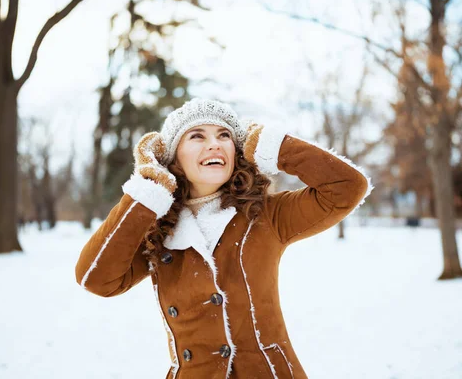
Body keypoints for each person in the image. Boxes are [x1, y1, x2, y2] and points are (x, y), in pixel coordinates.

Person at [75, 98, 372, 378]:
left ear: (237, 151)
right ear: (173, 156)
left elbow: (348, 188)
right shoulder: (157, 230)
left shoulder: (267, 214)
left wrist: (275, 146)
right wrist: (146, 193)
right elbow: (95, 278)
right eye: (197, 136)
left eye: (224, 136)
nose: (214, 144)